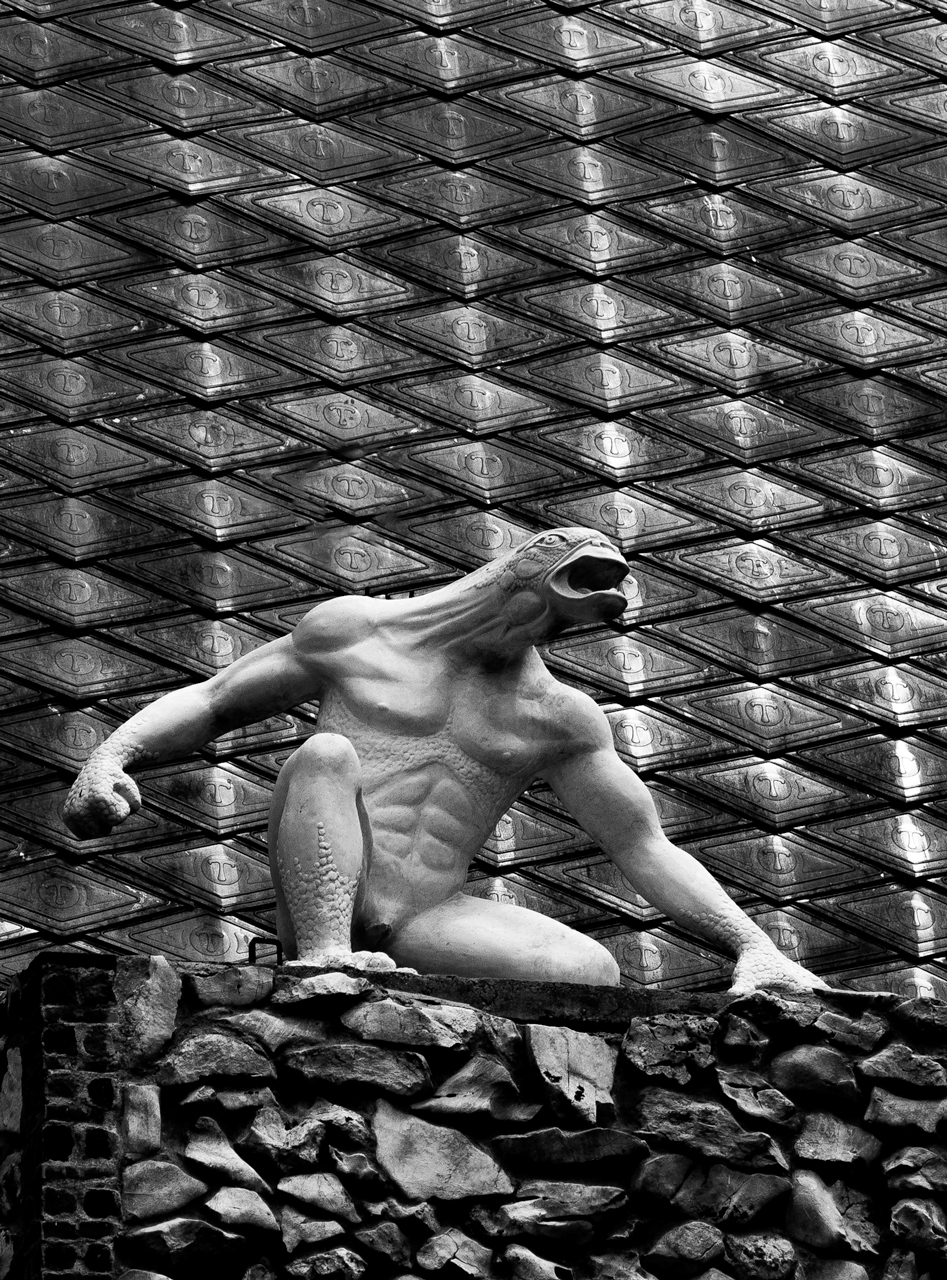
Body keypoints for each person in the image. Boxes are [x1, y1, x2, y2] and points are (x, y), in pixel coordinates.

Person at [64, 526, 827, 992]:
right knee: (325, 754)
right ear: (525, 570)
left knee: (589, 971)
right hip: (325, 893)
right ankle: (324, 960)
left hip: (424, 918)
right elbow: (215, 701)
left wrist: (751, 946)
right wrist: (113, 754)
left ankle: (382, 986)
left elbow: (640, 845)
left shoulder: (556, 715)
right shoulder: (357, 633)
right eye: (577, 585)